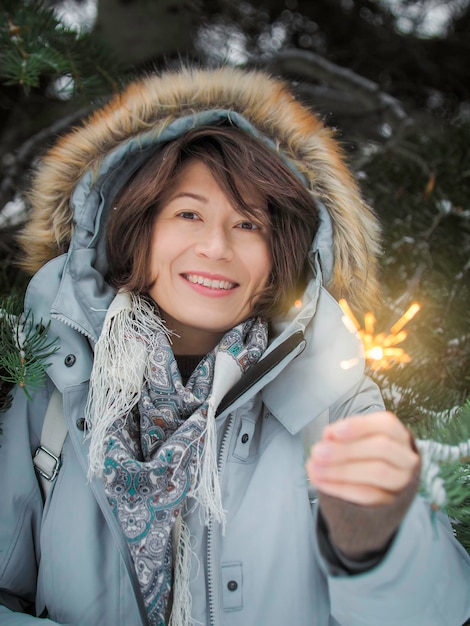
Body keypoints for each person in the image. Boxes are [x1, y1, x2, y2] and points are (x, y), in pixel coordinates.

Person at [0, 65, 469, 626]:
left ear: (284, 249)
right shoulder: (48, 382)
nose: (217, 246)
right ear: (134, 223)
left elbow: (430, 612)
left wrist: (379, 544)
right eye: (188, 213)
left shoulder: (330, 397)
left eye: (249, 224)